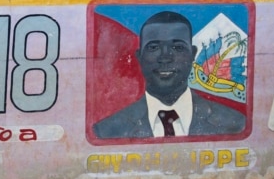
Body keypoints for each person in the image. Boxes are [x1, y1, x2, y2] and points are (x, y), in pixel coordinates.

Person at [92, 11, 246, 139]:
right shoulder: (107, 131)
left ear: (193, 54)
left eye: (177, 47)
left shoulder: (234, 123)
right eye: (153, 47)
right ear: (139, 57)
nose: (165, 57)